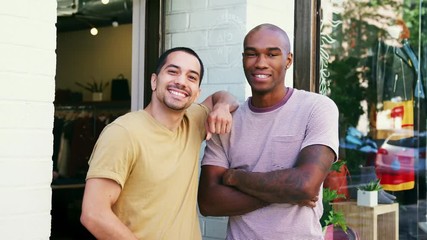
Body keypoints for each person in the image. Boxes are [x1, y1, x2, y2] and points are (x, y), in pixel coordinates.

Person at [80, 47, 238, 240]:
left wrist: (222, 107)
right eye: (173, 72)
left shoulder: (194, 121)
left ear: (197, 93)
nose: (181, 81)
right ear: (154, 81)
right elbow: (94, 214)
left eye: (191, 77)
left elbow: (220, 97)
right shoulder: (123, 133)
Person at [198, 23, 339, 239]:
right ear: (243, 59)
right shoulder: (226, 121)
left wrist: (235, 177)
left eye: (272, 54)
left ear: (288, 60)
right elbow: (209, 202)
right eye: (252, 54)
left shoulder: (316, 108)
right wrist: (285, 193)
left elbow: (305, 186)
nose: (261, 63)